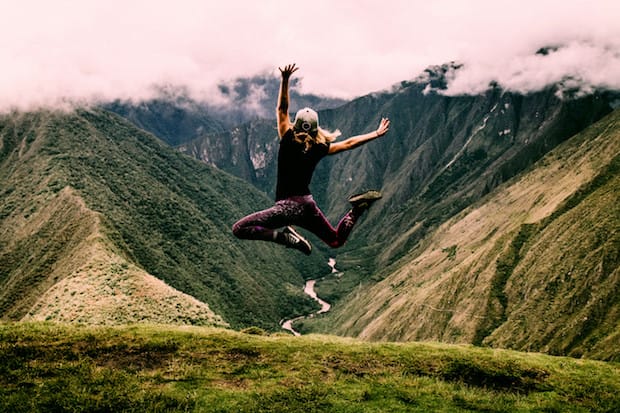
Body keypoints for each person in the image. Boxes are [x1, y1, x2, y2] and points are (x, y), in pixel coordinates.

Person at [232, 63, 390, 255]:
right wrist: (375, 133)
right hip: (307, 206)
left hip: (286, 209)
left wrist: (285, 80)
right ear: (316, 129)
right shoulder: (320, 147)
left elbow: (282, 109)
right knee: (335, 240)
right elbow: (349, 143)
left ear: (295, 125)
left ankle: (285, 238)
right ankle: (356, 210)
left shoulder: (288, 138)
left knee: (239, 229)